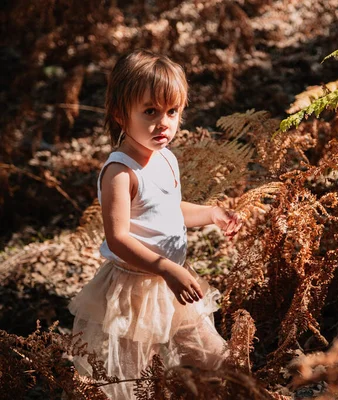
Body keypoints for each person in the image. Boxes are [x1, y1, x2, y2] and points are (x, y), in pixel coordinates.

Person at [68, 49, 241, 399]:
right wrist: (165, 269)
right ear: (121, 114)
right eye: (150, 111)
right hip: (134, 288)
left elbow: (169, 210)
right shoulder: (120, 172)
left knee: (219, 358)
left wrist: (210, 214)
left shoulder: (165, 158)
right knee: (137, 379)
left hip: (171, 282)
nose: (163, 123)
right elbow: (117, 239)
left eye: (172, 112)